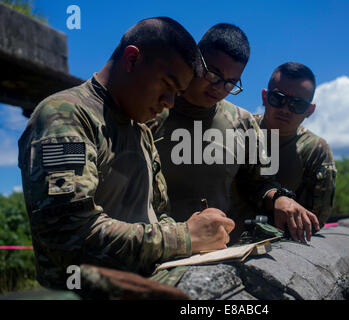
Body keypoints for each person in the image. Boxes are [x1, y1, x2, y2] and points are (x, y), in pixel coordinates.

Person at [18, 17, 234, 290]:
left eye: (177, 94)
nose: (169, 103)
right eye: (167, 85)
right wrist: (184, 237)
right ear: (132, 60)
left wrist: (196, 232)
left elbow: (158, 214)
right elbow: (69, 236)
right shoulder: (65, 116)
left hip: (147, 283)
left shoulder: (141, 129)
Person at [152, 24, 320, 243]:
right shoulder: (152, 109)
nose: (219, 88)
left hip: (217, 252)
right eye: (213, 74)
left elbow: (260, 182)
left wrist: (279, 199)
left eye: (231, 82)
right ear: (195, 58)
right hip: (154, 248)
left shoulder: (243, 123)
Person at [254, 62, 337, 227]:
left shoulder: (316, 150)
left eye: (297, 104)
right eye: (278, 99)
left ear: (310, 111)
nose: (286, 109)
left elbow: (315, 219)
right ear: (265, 97)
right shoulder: (239, 130)